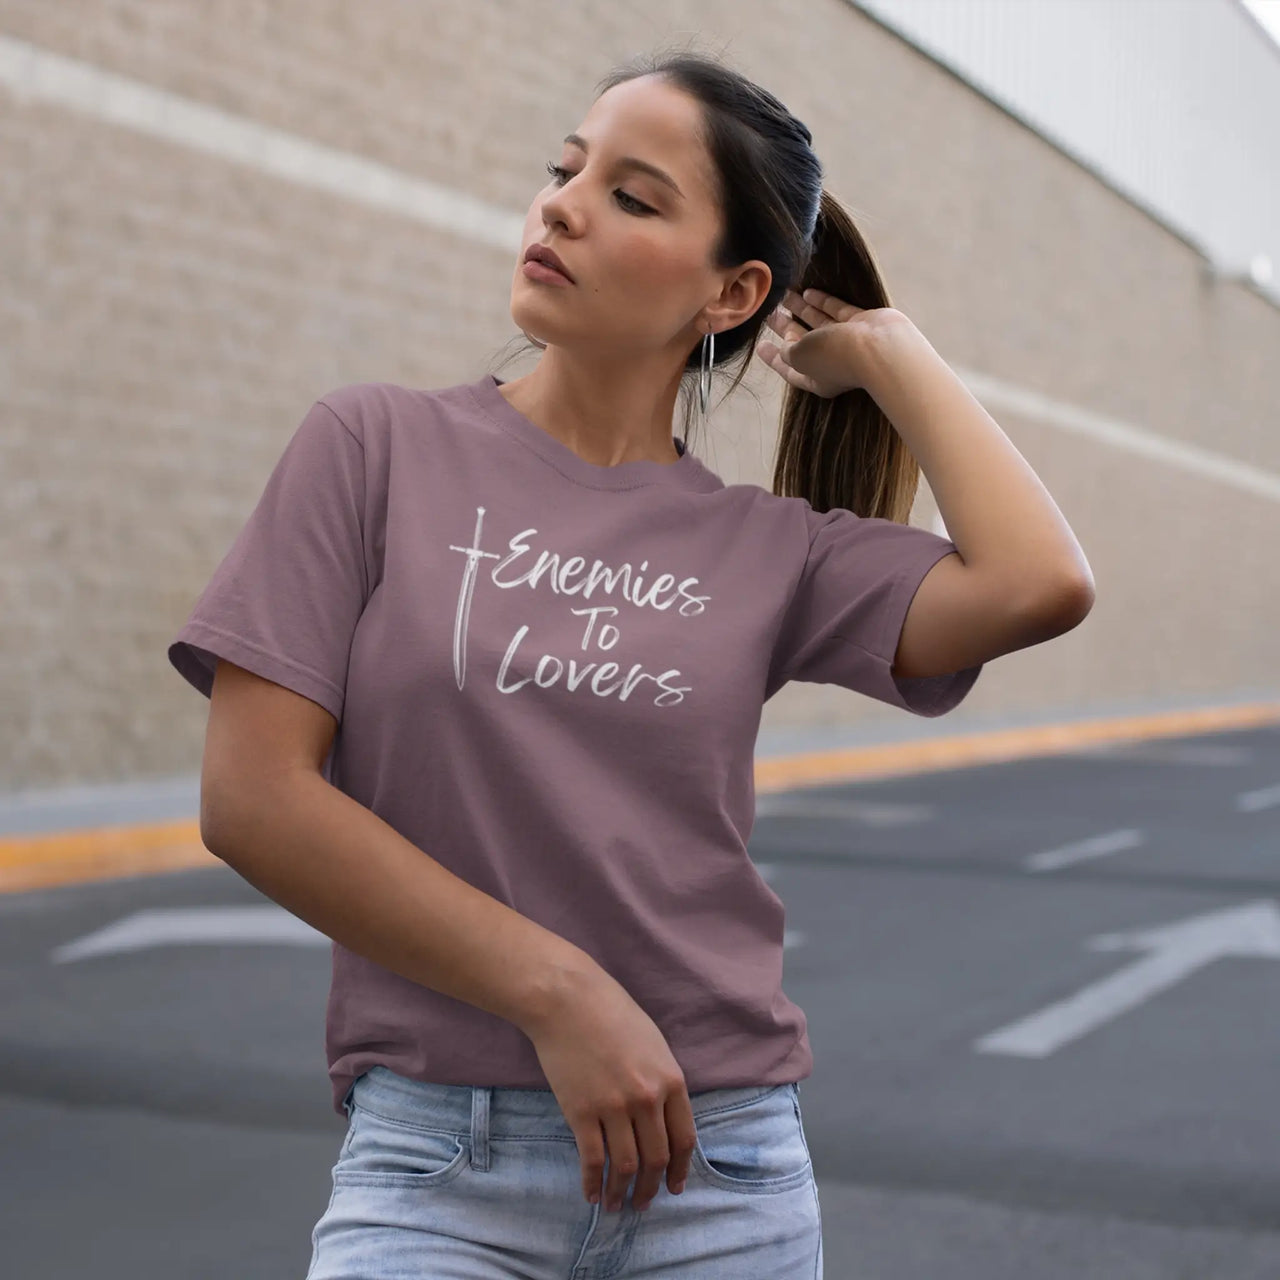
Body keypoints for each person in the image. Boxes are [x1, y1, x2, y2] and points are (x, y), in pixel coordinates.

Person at [167, 45, 1093, 1280]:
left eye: (632, 196)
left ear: (730, 294)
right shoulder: (373, 447)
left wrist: (886, 354)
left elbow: (1040, 583)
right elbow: (254, 798)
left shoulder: (767, 548)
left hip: (719, 1168)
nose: (560, 204)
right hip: (438, 1163)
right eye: (565, 169)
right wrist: (561, 993)